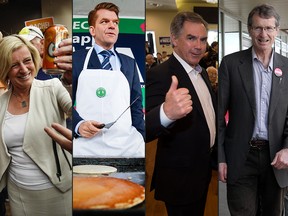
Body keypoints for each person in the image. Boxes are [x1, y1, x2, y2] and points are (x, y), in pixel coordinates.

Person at [218, 4, 288, 216]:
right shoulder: (231, 64)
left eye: (268, 28)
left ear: (277, 30)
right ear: (249, 30)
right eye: (258, 28)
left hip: (276, 158)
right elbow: (218, 115)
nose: (263, 34)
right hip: (241, 156)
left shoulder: (287, 67)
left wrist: (287, 147)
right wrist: (220, 157)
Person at [146, 11, 217, 216]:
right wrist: (165, 113)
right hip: (181, 180)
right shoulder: (159, 74)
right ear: (174, 39)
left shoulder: (202, 71)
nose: (199, 46)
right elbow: (144, 129)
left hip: (203, 171)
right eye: (191, 38)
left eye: (203, 39)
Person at [0, 35, 72, 215]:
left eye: (27, 61)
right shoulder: (1, 103)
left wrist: (77, 79)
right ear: (5, 70)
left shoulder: (52, 88)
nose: (24, 69)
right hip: (18, 196)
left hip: (59, 190)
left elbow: (77, 112)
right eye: (14, 65)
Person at [72, 2, 145, 157]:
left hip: (126, 146)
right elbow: (63, 103)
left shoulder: (129, 63)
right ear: (92, 30)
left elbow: (136, 104)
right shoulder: (77, 60)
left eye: (115, 23)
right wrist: (78, 125)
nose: (112, 26)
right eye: (104, 22)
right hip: (86, 146)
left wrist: (141, 136)